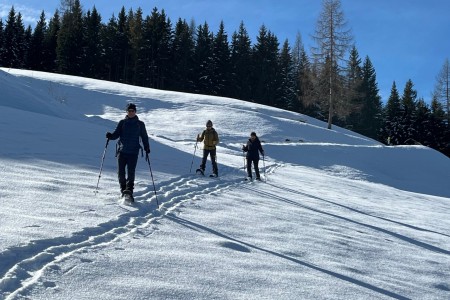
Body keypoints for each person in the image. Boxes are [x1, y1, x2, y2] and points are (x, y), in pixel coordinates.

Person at [106, 103, 150, 201]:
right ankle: (123, 190)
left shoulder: (140, 124)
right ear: (126, 112)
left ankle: (129, 190)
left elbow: (144, 137)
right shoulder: (122, 123)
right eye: (129, 111)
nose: (131, 112)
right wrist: (110, 136)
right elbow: (116, 134)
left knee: (131, 173)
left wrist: (147, 147)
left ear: (135, 112)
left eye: (132, 111)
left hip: (133, 153)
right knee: (120, 173)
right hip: (122, 152)